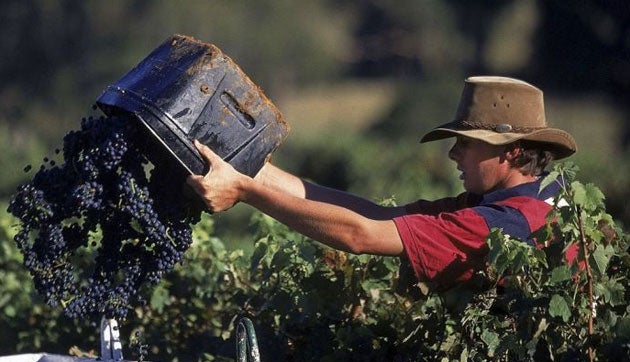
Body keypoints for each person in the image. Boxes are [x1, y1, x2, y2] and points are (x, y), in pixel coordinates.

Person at [186, 76, 576, 287]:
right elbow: (375, 215)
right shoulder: (517, 203)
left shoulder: (501, 224)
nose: (453, 155)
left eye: (466, 145)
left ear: (509, 151)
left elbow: (362, 236)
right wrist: (256, 171)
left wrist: (246, 191)